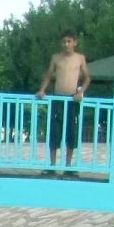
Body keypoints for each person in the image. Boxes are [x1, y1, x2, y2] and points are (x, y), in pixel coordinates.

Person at [36, 30, 90, 173]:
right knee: (55, 130)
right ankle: (52, 165)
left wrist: (80, 92)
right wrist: (42, 90)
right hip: (58, 99)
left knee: (71, 131)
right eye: (64, 42)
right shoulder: (56, 58)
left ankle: (68, 166)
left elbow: (87, 78)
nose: (66, 44)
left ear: (74, 42)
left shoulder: (80, 58)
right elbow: (48, 76)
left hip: (72, 100)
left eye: (69, 41)